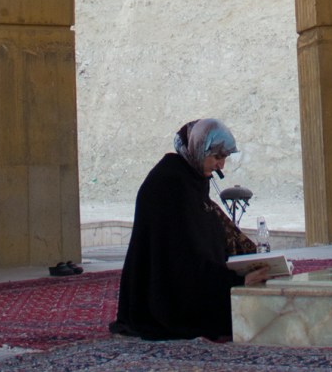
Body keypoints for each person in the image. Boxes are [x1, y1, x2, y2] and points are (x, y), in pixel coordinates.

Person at [109, 118, 270, 341]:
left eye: (224, 158)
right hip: (169, 300)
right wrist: (235, 282)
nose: (221, 166)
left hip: (193, 282)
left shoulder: (190, 177)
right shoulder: (171, 184)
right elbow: (183, 264)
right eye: (216, 157)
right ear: (198, 149)